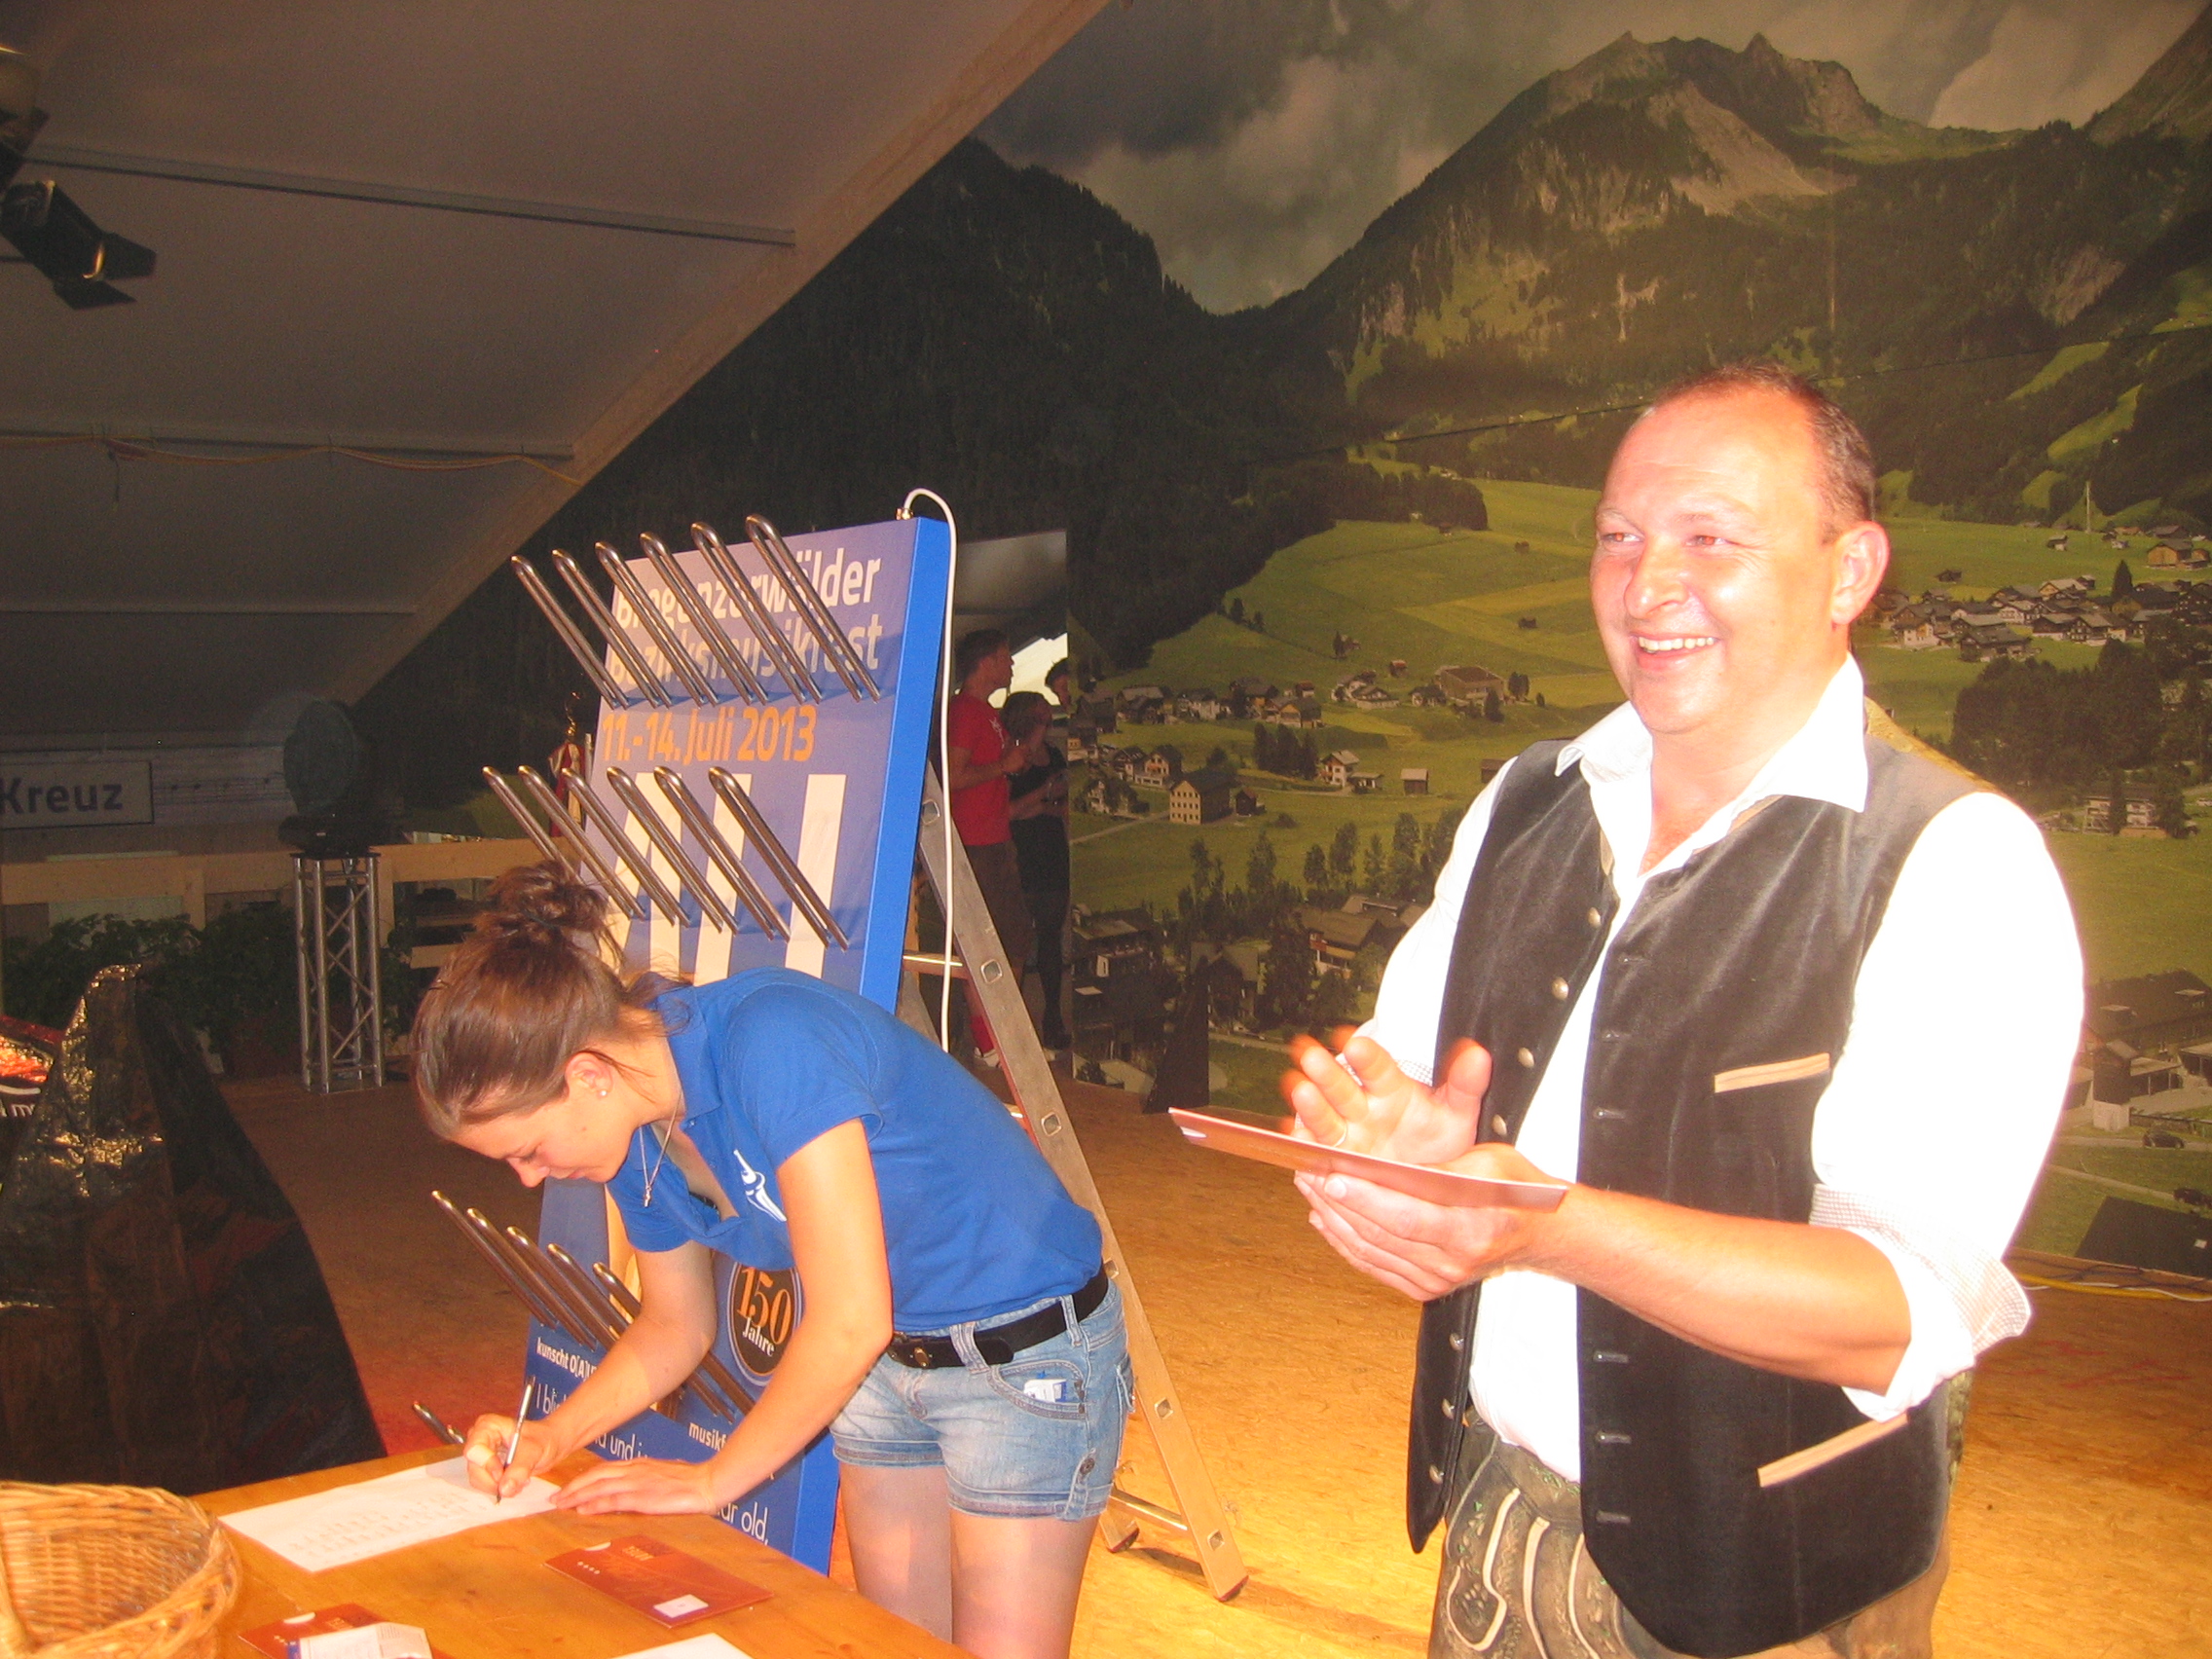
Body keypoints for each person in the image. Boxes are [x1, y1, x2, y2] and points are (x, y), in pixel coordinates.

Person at [1281, 362, 2080, 1659]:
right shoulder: (1525, 803)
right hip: (1500, 1531)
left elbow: (1895, 1303)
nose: (1647, 585)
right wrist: (1387, 1144)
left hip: (1776, 1602)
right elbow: (1405, 1075)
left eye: (1711, 539)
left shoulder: (1956, 861)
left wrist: (1541, 1226)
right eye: (1618, 537)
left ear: (1850, 570)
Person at [413, 862, 1128, 1659]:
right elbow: (675, 1326)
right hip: (885, 1366)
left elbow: (849, 1318)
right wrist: (551, 1436)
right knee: (900, 1645)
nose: (530, 1177)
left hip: (1021, 1353)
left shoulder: (772, 1040)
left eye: (528, 1150)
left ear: (589, 1075)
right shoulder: (631, 1144)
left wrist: (713, 1481)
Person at [942, 629, 1037, 1068]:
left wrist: (1008, 765)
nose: (1012, 665)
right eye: (1005, 657)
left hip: (994, 841)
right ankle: (991, 1042)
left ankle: (999, 1037)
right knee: (986, 946)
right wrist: (1002, 765)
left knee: (1010, 942)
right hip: (976, 845)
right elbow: (953, 777)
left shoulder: (985, 713)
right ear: (986, 663)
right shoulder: (965, 711)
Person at [1004, 690, 1073, 1053]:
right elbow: (1010, 811)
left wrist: (1043, 805)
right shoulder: (1012, 757)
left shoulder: (1053, 755)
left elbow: (1058, 806)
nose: (1048, 716)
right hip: (1020, 854)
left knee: (1050, 938)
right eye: (1041, 712)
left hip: (1051, 852)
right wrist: (1044, 795)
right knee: (1016, 942)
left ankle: (1052, 1017)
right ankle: (1011, 1028)